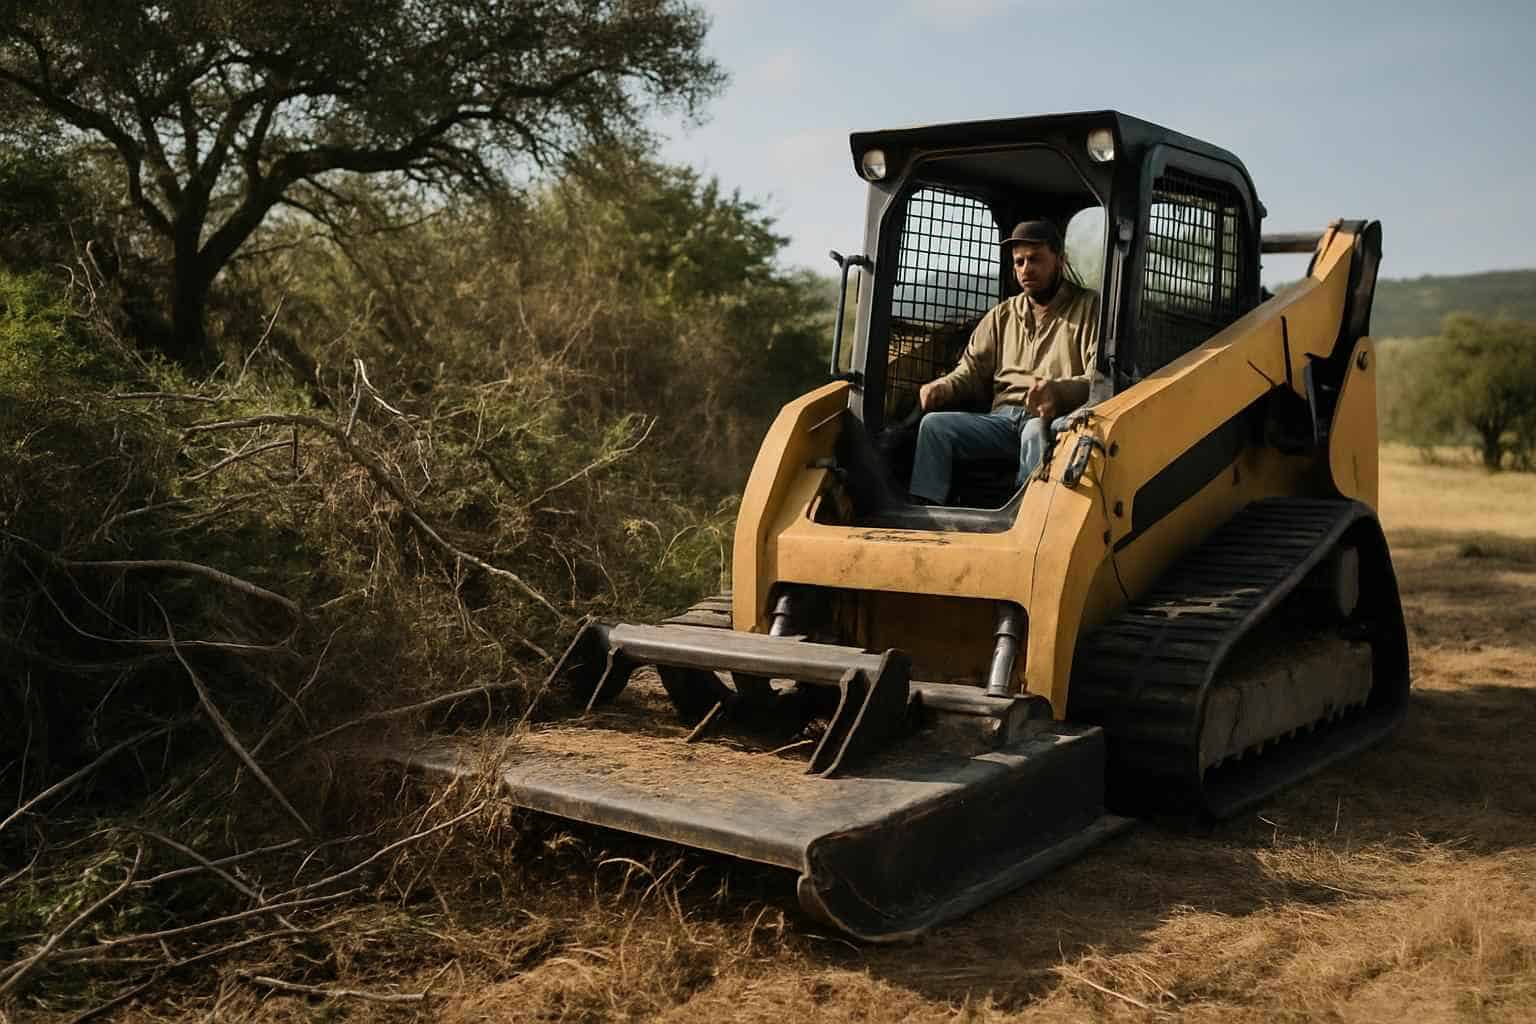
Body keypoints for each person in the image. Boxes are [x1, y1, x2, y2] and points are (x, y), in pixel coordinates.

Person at [908, 219, 1100, 505]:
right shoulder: (1002, 315)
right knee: (934, 426)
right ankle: (924, 514)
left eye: (1035, 259)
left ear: (1060, 260)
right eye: (1019, 262)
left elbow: (1098, 379)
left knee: (1035, 431)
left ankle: (1025, 515)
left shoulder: (1090, 308)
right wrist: (944, 386)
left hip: (1054, 420)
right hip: (1002, 421)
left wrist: (1058, 393)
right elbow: (971, 369)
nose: (1026, 269)